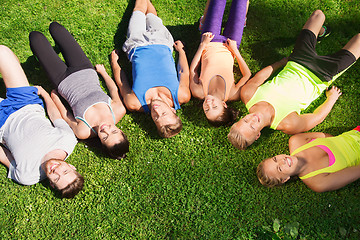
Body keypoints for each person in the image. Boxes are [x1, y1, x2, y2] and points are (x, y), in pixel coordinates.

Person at [228, 10, 360, 150]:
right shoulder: (287, 124)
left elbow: (261, 76)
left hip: (297, 60)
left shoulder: (248, 95)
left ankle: (320, 32)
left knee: (318, 15)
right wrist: (331, 99)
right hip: (322, 75)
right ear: (257, 135)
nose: (252, 118)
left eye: (245, 120)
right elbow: (316, 117)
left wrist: (281, 62)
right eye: (253, 126)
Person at [29, 22, 129, 159]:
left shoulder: (83, 131)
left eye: (105, 138)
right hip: (84, 68)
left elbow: (66, 116)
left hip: (61, 79)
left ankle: (42, 56)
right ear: (121, 131)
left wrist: (55, 97)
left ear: (101, 143)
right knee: (55, 28)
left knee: (36, 38)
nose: (106, 129)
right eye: (114, 131)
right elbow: (113, 89)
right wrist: (103, 73)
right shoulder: (118, 111)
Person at [0, 45, 83, 198]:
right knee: (3, 52)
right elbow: (54, 116)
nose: (56, 170)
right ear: (71, 166)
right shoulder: (68, 140)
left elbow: (4, 156)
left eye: (56, 178)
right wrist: (44, 94)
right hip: (25, 103)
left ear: (51, 184)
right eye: (65, 171)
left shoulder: (27, 176)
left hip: (1, 124)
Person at [104, 0, 191, 138]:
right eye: (164, 113)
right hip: (162, 41)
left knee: (139, 8)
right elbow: (183, 71)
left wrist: (115, 63)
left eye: (156, 118)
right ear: (174, 111)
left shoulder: (135, 103)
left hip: (136, 43)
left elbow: (122, 83)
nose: (157, 112)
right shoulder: (181, 95)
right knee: (152, 16)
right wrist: (181, 51)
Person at [190, 0, 251, 127]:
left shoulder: (199, 92)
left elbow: (193, 71)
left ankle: (204, 23)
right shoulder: (233, 94)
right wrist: (235, 50)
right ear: (224, 104)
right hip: (231, 44)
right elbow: (247, 75)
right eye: (215, 106)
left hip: (210, 41)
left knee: (217, 2)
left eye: (207, 110)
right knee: (240, 4)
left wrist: (203, 44)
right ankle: (241, 20)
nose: (209, 104)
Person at [257, 126, 360, 192]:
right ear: (285, 179)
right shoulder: (318, 182)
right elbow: (357, 171)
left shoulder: (296, 140)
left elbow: (328, 137)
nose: (281, 161)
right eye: (279, 169)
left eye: (275, 159)